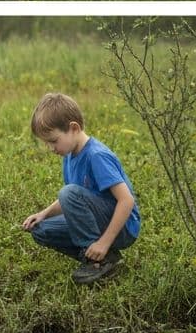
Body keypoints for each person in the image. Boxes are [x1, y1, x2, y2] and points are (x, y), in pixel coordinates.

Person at [22, 92, 140, 285]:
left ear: (73, 128)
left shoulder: (96, 155)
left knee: (68, 192)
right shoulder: (69, 155)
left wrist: (104, 242)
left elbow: (127, 201)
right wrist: (43, 214)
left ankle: (97, 259)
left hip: (123, 228)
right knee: (41, 230)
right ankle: (109, 258)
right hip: (97, 220)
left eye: (53, 141)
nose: (51, 148)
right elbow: (75, 200)